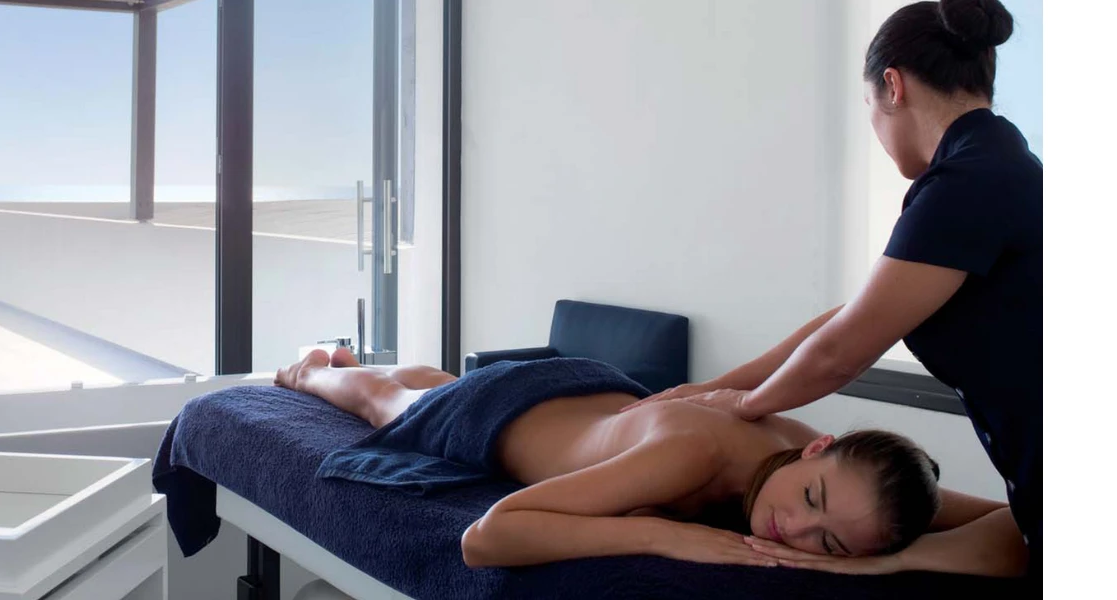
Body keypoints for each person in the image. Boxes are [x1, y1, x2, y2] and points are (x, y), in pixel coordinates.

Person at [620, 0, 1040, 579]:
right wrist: (713, 388)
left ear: (891, 87)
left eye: (867, 105)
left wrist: (744, 405)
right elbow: (849, 321)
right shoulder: (994, 166)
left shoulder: (969, 184)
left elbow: (842, 351)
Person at [274, 349, 1023, 575]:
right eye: (814, 498)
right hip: (504, 414)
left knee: (436, 381)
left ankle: (397, 368)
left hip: (597, 398)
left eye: (825, 542)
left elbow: (1023, 531)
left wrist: (877, 565)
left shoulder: (861, 484)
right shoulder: (692, 456)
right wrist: (665, 535)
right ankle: (314, 369)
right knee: (386, 404)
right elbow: (487, 538)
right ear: (817, 445)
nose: (792, 526)